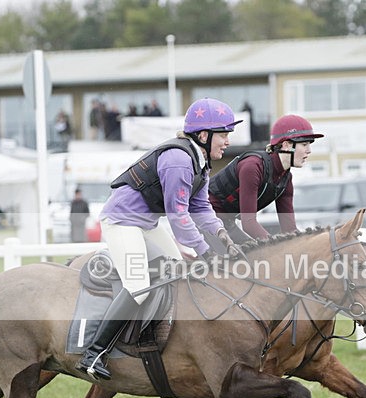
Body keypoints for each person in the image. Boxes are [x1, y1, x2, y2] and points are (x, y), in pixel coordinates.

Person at [75, 97, 244, 380]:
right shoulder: (178, 160)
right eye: (224, 134)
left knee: (177, 267)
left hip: (146, 222)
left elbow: (201, 208)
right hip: (122, 222)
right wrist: (205, 251)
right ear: (204, 135)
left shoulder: (199, 161)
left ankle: (154, 339)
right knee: (138, 285)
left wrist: (222, 235)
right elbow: (178, 218)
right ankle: (94, 352)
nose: (227, 141)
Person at [208, 114, 324, 242]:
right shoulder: (253, 166)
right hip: (203, 218)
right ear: (286, 145)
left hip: (225, 222)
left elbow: (289, 229)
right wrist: (276, 247)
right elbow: (249, 224)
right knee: (253, 256)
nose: (309, 151)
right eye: (304, 144)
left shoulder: (286, 178)